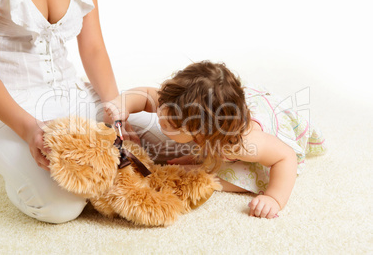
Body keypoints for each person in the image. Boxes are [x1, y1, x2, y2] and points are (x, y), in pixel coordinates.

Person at [0, 0, 174, 223]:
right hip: (8, 106)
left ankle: (90, 171)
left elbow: (93, 48)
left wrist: (117, 115)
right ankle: (11, 166)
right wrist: (29, 130)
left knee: (171, 138)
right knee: (60, 207)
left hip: (71, 93)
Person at [105, 61, 327, 219]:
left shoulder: (242, 144)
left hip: (265, 130)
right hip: (222, 114)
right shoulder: (174, 102)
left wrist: (274, 198)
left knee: (221, 176)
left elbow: (285, 157)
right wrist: (122, 103)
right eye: (162, 109)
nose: (160, 117)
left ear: (203, 133)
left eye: (171, 125)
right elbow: (144, 95)